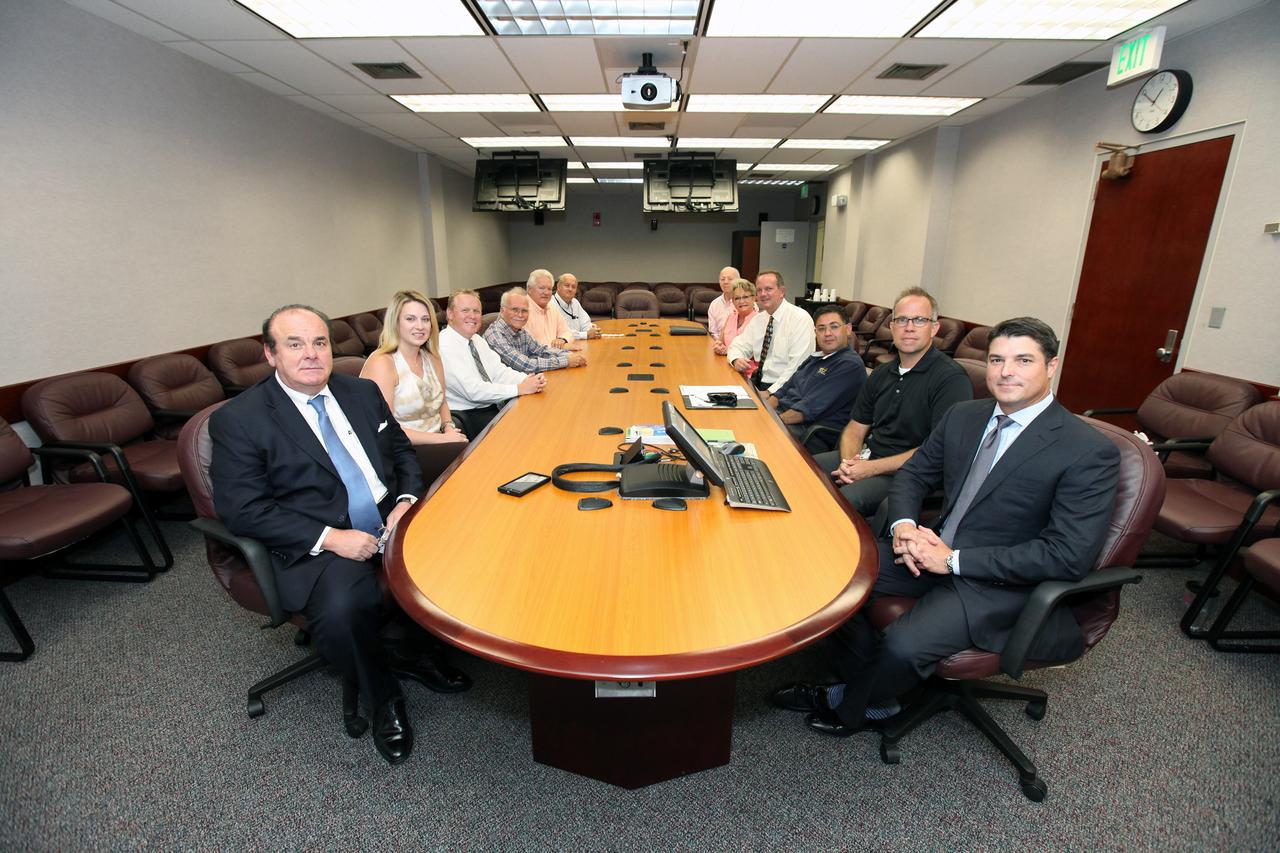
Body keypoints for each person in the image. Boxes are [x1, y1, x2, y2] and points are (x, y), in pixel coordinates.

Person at [770, 317, 1121, 737]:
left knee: (903, 645)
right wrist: (902, 526)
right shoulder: (965, 416)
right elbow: (914, 476)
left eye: (1023, 360)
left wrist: (953, 560)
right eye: (997, 359)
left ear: (1051, 366)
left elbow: (1067, 554)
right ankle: (871, 683)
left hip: (999, 581)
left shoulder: (1087, 451)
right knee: (832, 569)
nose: (1006, 371)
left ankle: (852, 703)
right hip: (929, 547)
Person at [209, 304, 470, 767]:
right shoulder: (241, 420)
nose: (311, 354)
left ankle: (413, 653)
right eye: (294, 344)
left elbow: (402, 454)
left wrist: (407, 501)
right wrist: (331, 537)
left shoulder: (362, 392)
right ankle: (384, 696)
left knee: (456, 553)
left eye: (320, 342)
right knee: (346, 608)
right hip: (318, 540)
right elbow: (243, 510)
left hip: (389, 517)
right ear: (270, 355)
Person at [813, 287, 971, 516]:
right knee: (804, 470)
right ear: (892, 326)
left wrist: (869, 469)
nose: (908, 327)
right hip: (868, 457)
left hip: (910, 473)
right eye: (902, 320)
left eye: (919, 320)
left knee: (843, 500)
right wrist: (849, 464)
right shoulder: (881, 372)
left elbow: (937, 451)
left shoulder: (951, 379)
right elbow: (856, 428)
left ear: (934, 328)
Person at [359, 290, 468, 448]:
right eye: (410, 319)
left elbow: (442, 402)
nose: (420, 326)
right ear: (395, 323)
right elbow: (385, 429)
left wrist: (448, 427)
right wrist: (443, 439)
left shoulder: (432, 358)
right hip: (402, 450)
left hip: (439, 443)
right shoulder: (382, 363)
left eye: (425, 319)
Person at [438, 290, 546, 438]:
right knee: (524, 433)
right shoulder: (444, 345)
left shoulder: (476, 340)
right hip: (468, 416)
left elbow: (498, 371)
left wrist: (527, 379)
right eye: (465, 310)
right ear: (450, 314)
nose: (472, 316)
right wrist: (518, 389)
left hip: (491, 405)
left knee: (537, 417)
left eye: (476, 311)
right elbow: (472, 390)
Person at [761, 305, 866, 453]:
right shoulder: (815, 358)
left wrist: (770, 424)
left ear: (848, 329)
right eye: (821, 329)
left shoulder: (849, 365)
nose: (827, 333)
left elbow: (805, 410)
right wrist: (762, 413)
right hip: (784, 417)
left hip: (809, 431)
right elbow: (782, 391)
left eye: (834, 327)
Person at [727, 270, 815, 393]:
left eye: (768, 289)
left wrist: (770, 393)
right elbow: (737, 346)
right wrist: (736, 359)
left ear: (782, 292)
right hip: (759, 382)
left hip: (787, 388)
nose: (763, 294)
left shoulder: (800, 319)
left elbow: (797, 367)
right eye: (759, 290)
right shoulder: (759, 320)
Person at [485, 287, 587, 373]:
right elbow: (524, 365)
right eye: (514, 310)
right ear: (502, 312)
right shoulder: (495, 334)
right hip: (505, 392)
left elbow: (541, 350)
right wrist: (565, 361)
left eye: (524, 310)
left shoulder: (521, 332)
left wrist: (569, 355)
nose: (520, 315)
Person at [524, 269, 581, 351]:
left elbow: (567, 332)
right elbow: (528, 348)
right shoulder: (521, 310)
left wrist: (562, 339)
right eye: (542, 288)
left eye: (549, 289)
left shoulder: (552, 308)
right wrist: (560, 348)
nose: (546, 292)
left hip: (554, 357)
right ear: (529, 289)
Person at [713, 278, 758, 355]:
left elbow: (755, 352)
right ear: (733, 301)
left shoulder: (758, 321)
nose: (741, 301)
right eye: (737, 298)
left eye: (745, 297)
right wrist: (718, 346)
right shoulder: (731, 317)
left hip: (747, 365)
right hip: (725, 361)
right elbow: (720, 341)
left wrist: (729, 351)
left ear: (753, 298)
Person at [553, 273, 600, 340]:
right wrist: (585, 334)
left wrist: (592, 329)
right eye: (567, 285)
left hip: (579, 343)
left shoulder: (575, 302)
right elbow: (560, 333)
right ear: (558, 286)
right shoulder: (550, 304)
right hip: (561, 347)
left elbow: (585, 322)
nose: (570, 289)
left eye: (573, 287)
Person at [708, 265, 740, 342]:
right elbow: (713, 332)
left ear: (739, 281)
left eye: (730, 279)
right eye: (722, 279)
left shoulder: (745, 303)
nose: (725, 282)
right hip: (718, 345)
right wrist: (719, 344)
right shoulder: (714, 304)